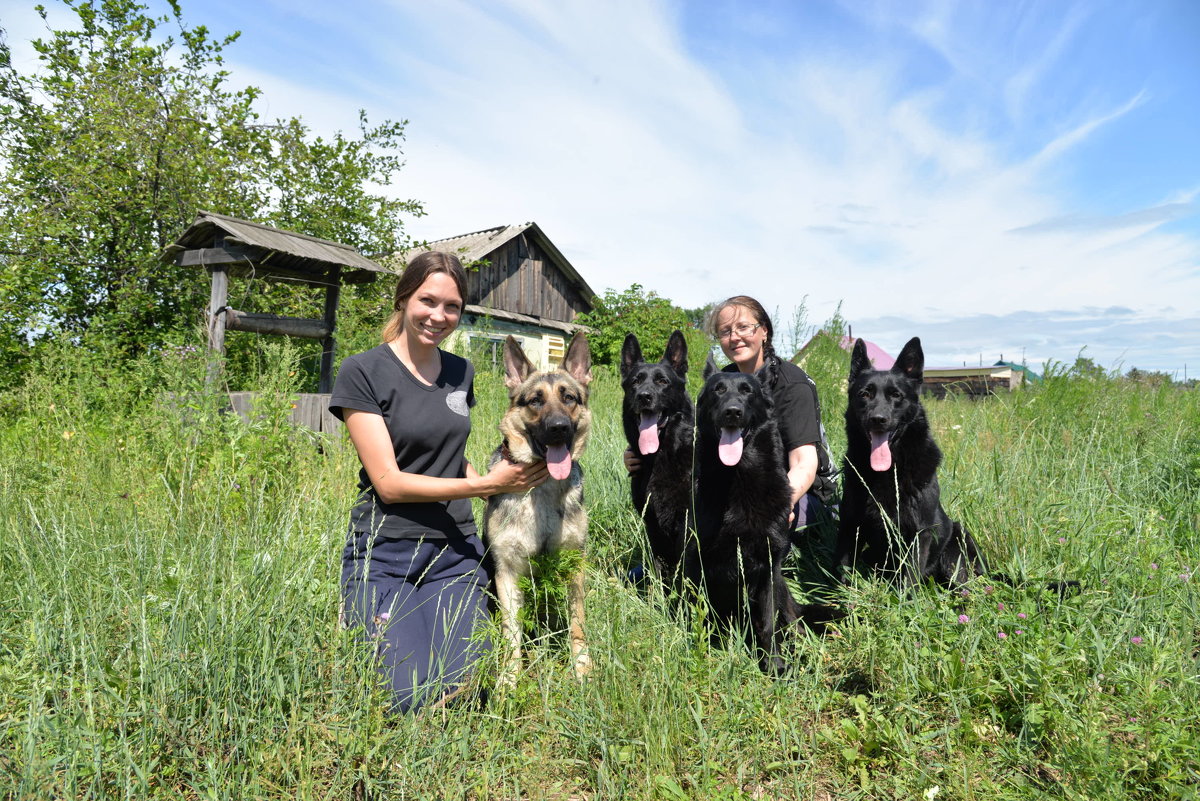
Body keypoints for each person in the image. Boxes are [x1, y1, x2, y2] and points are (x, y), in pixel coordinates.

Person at [328, 251, 548, 713]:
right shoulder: (363, 371)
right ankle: (361, 610)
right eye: (428, 300)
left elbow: (450, 453)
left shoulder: (459, 372)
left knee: (471, 682)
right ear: (404, 298)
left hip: (453, 551)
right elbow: (388, 483)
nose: (438, 315)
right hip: (385, 551)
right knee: (409, 694)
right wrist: (485, 487)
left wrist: (492, 481)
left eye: (451, 306)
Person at [623, 296, 836, 532]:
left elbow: (804, 464)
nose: (734, 337)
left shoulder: (792, 385)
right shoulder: (723, 380)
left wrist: (782, 504)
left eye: (743, 327)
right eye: (725, 331)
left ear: (764, 331)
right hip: (740, 483)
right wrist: (641, 453)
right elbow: (693, 436)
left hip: (800, 493)